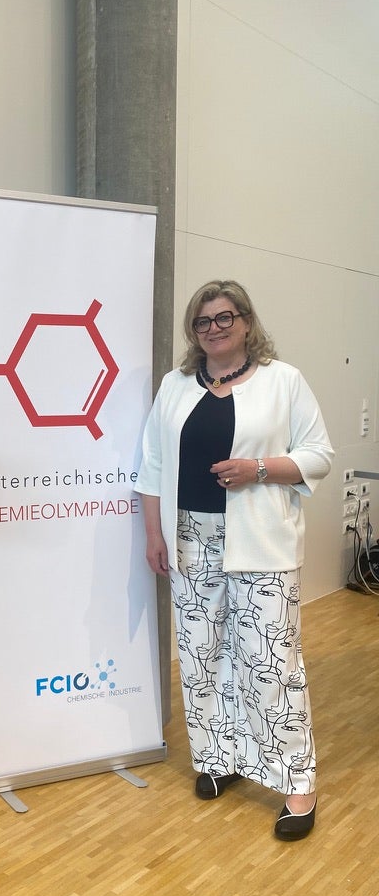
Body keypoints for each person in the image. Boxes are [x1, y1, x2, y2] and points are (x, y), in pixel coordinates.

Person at [136, 279, 332, 841]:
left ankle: (297, 781)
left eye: (225, 317)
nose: (215, 328)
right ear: (193, 332)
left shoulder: (283, 381)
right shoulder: (175, 385)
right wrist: (154, 534)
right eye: (203, 321)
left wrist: (260, 470)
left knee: (271, 663)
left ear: (247, 322)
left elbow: (318, 454)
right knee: (200, 658)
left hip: (262, 542)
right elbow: (151, 464)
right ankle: (218, 760)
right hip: (190, 540)